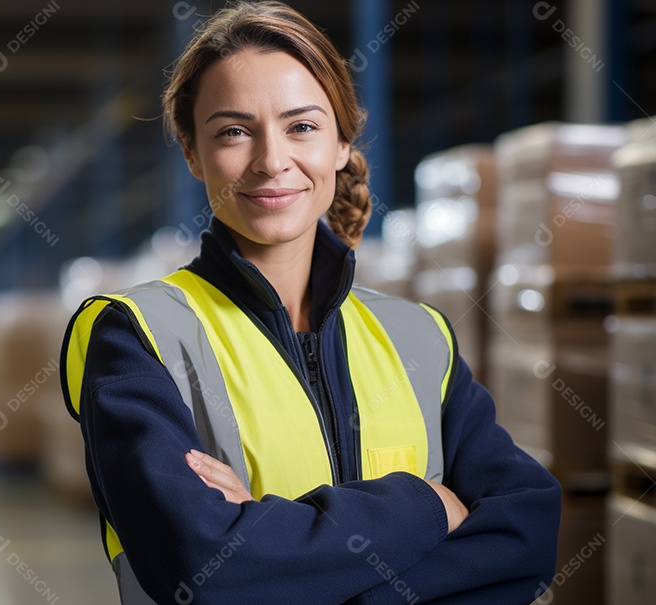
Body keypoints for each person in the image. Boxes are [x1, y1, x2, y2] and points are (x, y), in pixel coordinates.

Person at [60, 2, 561, 604]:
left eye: (302, 127)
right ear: (193, 153)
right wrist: (429, 503)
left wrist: (275, 548)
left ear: (342, 144)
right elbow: (206, 568)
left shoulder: (419, 336)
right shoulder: (137, 335)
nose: (272, 161)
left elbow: (528, 531)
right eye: (234, 132)